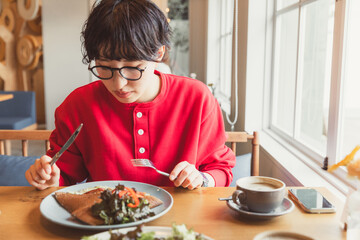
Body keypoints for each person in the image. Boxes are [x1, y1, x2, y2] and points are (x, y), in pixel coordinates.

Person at [25, 0, 235, 190]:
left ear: (158, 54)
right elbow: (65, 175)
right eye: (105, 67)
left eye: (133, 68)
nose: (119, 84)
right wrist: (50, 178)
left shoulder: (196, 98)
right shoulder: (77, 105)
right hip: (105, 223)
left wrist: (201, 178)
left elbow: (220, 170)